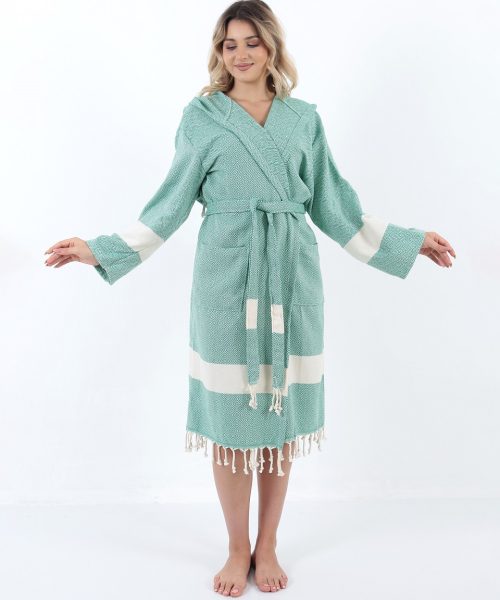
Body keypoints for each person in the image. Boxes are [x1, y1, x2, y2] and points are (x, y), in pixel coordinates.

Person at [44, 0, 456, 595]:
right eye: (229, 44)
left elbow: (334, 205)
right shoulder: (202, 117)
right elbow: (170, 202)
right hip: (224, 278)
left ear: (271, 48)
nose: (239, 54)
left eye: (251, 42)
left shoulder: (303, 119)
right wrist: (101, 248)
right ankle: (237, 547)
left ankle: (268, 544)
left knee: (279, 414)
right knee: (231, 419)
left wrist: (407, 242)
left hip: (290, 274)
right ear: (220, 52)